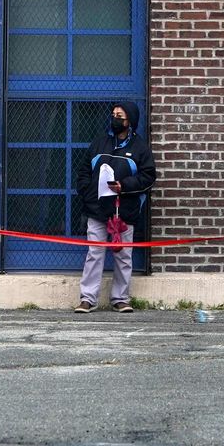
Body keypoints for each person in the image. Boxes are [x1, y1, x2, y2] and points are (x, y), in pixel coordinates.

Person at [73, 101, 156, 313]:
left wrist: (124, 186)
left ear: (130, 121)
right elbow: (83, 171)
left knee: (124, 256)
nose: (115, 119)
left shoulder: (140, 148)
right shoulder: (99, 142)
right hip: (97, 210)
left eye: (120, 115)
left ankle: (121, 298)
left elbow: (148, 177)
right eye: (113, 115)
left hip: (124, 212)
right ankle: (88, 299)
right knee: (94, 253)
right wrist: (87, 193)